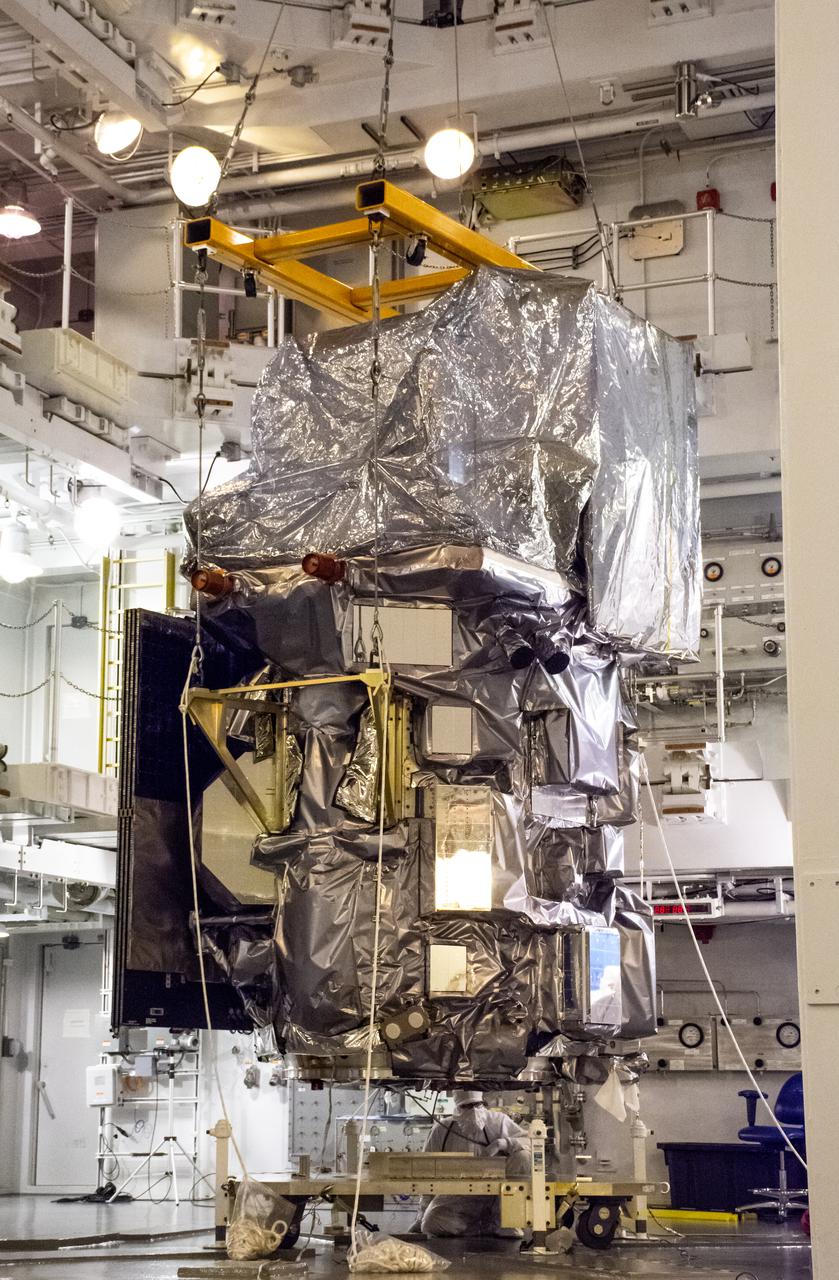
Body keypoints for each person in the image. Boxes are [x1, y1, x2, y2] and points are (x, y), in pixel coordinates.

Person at [410, 1091, 529, 1237]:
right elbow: (427, 1173)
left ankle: (506, 1221)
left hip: (497, 1194)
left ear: (482, 1102)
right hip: (458, 1195)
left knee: (522, 1155)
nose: (472, 1111)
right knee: (431, 1224)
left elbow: (532, 1142)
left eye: (476, 1105)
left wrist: (505, 1143)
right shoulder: (442, 1129)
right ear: (457, 1107)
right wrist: (421, 1215)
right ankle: (482, 1227)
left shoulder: (499, 1122)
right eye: (466, 1106)